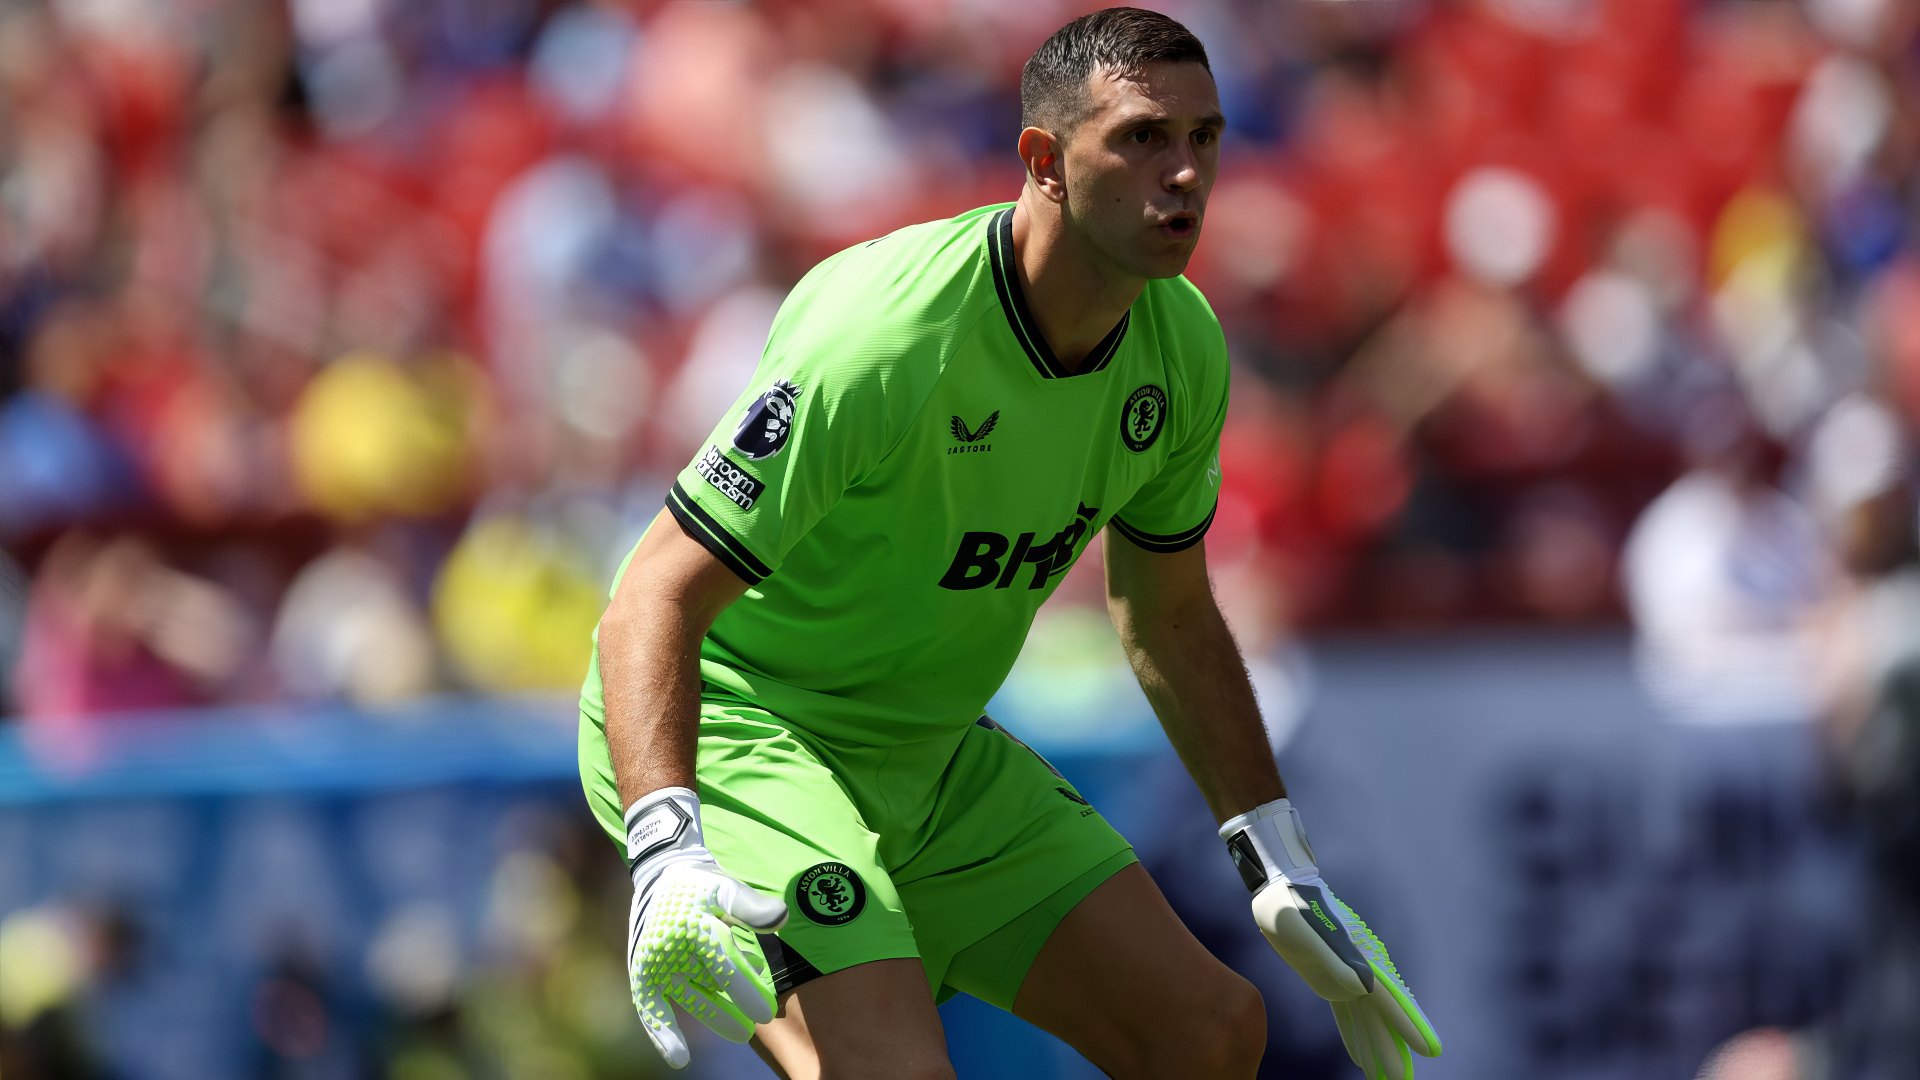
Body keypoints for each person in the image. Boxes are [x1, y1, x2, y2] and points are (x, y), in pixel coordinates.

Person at [577, 9, 1441, 1078]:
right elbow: (649, 596)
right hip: (748, 729)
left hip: (932, 751)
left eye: (1204, 139)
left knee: (1209, 1036)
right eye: (1140, 138)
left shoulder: (1184, 350)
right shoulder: (885, 339)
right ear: (1043, 161)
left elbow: (1166, 613)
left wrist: (1277, 857)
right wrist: (668, 843)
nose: (1184, 176)